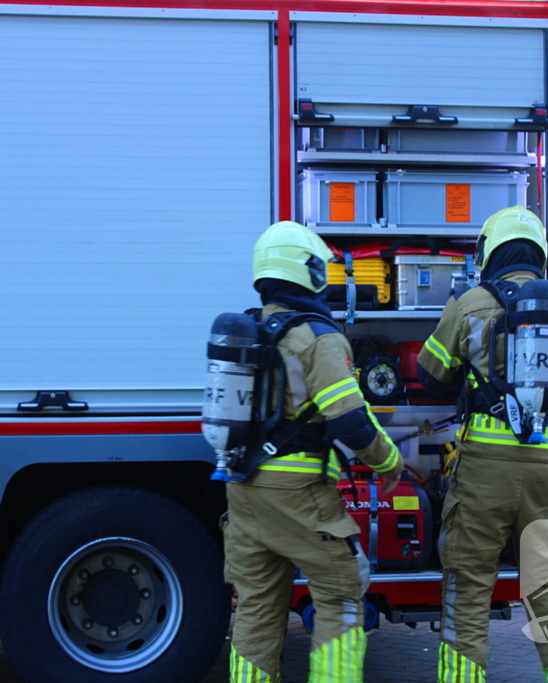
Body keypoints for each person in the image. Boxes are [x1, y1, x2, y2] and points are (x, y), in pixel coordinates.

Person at [417, 207, 548, 683]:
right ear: (538, 253)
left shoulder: (470, 303)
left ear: (488, 253)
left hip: (484, 474)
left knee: (468, 592)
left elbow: (430, 374)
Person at [224, 221, 404, 683]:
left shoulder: (250, 331)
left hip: (243, 490)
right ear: (307, 272)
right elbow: (349, 418)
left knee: (258, 609)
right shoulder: (317, 337)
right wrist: (389, 461)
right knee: (343, 591)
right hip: (297, 494)